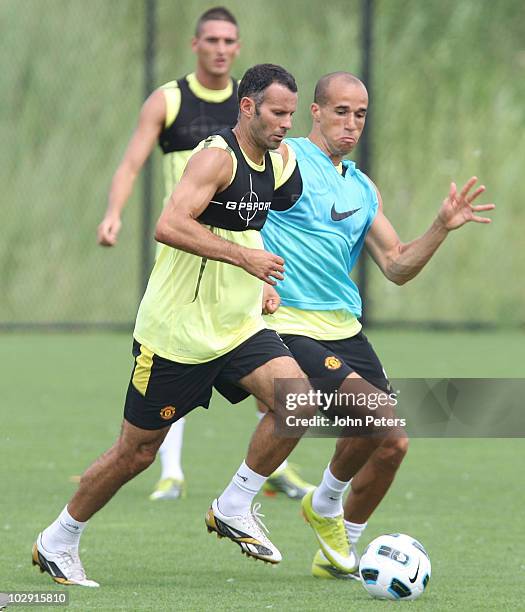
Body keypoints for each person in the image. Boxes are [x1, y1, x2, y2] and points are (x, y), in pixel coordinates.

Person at [32, 64, 318, 587]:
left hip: (236, 328)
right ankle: (60, 538)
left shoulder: (276, 162)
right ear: (248, 107)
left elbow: (247, 226)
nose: (285, 123)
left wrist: (259, 280)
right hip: (176, 335)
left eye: (292, 114)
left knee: (296, 400)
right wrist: (245, 261)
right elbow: (169, 225)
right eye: (277, 112)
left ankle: (234, 504)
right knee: (137, 453)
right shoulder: (215, 156)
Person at [260, 71, 495, 578]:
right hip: (292, 324)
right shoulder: (286, 159)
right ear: (316, 112)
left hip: (344, 327)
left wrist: (440, 227)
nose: (351, 123)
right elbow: (242, 210)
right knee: (379, 416)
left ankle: (338, 550)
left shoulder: (363, 188)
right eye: (341, 111)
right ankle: (323, 506)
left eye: (360, 114)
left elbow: (396, 265)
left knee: (391, 445)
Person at [98, 6, 311, 502]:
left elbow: (256, 208)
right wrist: (113, 212)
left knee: (280, 376)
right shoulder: (170, 101)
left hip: (236, 262)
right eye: (211, 39)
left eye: (228, 41)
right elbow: (133, 165)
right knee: (183, 353)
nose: (219, 48)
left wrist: (257, 270)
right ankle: (169, 467)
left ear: (238, 49)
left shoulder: (259, 106)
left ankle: (263, 474)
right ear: (196, 44)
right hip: (187, 252)